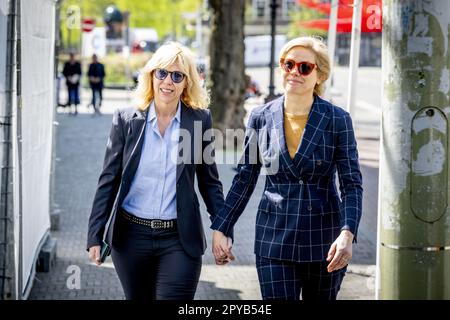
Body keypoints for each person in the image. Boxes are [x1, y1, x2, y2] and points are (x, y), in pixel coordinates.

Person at [211, 36, 363, 300]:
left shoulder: (338, 120)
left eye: (305, 67)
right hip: (274, 239)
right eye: (288, 64)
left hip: (325, 242)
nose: (295, 72)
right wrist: (222, 227)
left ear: (319, 76)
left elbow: (351, 184)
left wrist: (347, 233)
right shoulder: (261, 117)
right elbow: (245, 177)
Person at [87, 42, 228, 300]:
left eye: (177, 75)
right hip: (130, 238)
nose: (168, 81)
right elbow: (109, 179)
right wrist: (94, 234)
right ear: (151, 75)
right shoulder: (126, 119)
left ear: (187, 83)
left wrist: (222, 227)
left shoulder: (199, 120)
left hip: (179, 238)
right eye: (162, 73)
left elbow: (210, 182)